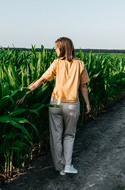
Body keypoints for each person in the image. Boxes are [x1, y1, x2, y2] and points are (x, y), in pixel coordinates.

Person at [17, 37, 91, 175]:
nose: (55, 50)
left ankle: (59, 167)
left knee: (56, 136)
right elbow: (83, 86)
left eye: (57, 47)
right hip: (72, 105)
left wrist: (26, 92)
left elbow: (42, 79)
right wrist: (87, 103)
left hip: (56, 104)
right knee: (69, 135)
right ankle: (68, 165)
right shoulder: (80, 64)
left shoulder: (57, 63)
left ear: (62, 49)